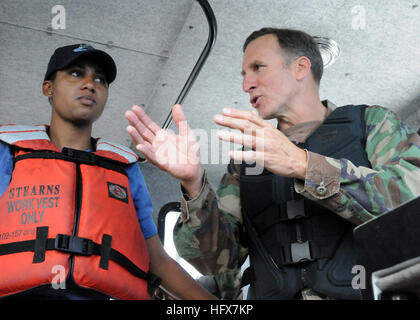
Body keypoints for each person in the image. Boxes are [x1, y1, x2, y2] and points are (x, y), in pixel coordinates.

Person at [125, 28, 420, 300]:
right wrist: (193, 184)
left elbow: (410, 202)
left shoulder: (371, 123)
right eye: (243, 74)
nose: (246, 84)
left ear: (300, 68)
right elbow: (213, 262)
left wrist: (305, 166)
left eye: (257, 68)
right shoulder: (246, 162)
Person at [0, 43, 216, 300]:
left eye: (100, 80)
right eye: (76, 73)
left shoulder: (125, 168)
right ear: (49, 87)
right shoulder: (9, 150)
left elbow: (156, 260)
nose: (90, 84)